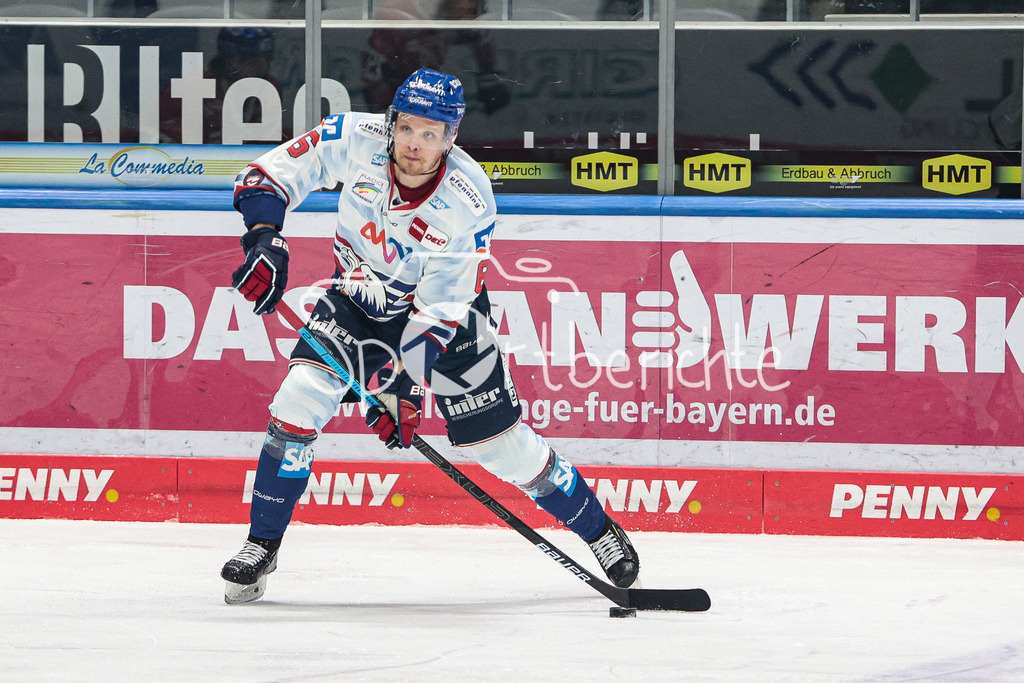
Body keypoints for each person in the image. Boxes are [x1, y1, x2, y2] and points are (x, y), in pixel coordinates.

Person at [219, 68, 639, 604]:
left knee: (504, 449)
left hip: (452, 322)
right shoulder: (354, 137)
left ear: (451, 137)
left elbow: (440, 308)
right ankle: (262, 544)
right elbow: (265, 176)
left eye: (430, 133)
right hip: (357, 302)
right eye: (408, 127)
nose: (414, 144)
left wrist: (404, 384)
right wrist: (264, 238)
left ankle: (600, 532)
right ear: (392, 121)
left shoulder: (470, 198)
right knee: (298, 399)